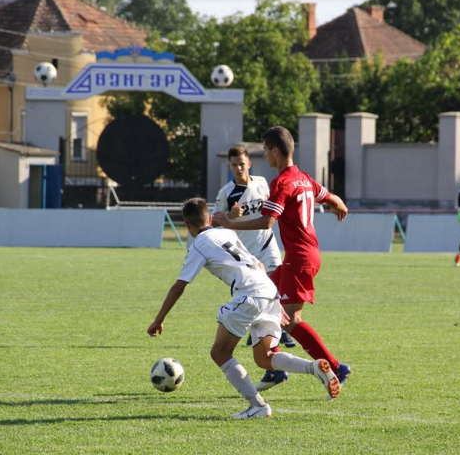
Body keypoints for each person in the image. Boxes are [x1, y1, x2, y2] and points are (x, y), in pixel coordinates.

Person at [147, 198, 341, 419]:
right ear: (209, 218)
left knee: (220, 352)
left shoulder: (198, 244)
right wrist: (273, 299)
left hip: (250, 294)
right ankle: (314, 367)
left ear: (187, 224)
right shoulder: (227, 233)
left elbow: (179, 285)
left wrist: (158, 319)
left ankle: (257, 405)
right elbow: (258, 264)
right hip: (268, 289)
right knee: (264, 358)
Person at [213, 126, 351, 392]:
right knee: (262, 294)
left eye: (265, 150)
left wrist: (229, 225)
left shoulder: (282, 182)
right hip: (303, 255)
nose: (265, 155)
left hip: (299, 257)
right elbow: (330, 198)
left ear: (276, 151)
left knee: (291, 318)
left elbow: (267, 221)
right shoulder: (303, 177)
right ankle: (274, 366)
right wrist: (339, 206)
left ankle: (335, 368)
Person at [212, 146, 296, 349]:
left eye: (242, 164)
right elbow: (214, 221)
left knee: (276, 287)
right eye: (234, 165)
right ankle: (257, 331)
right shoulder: (227, 192)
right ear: (230, 166)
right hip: (245, 253)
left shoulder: (261, 183)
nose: (239, 168)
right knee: (256, 293)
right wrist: (230, 217)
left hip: (267, 244)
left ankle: (281, 331)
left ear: (249, 164)